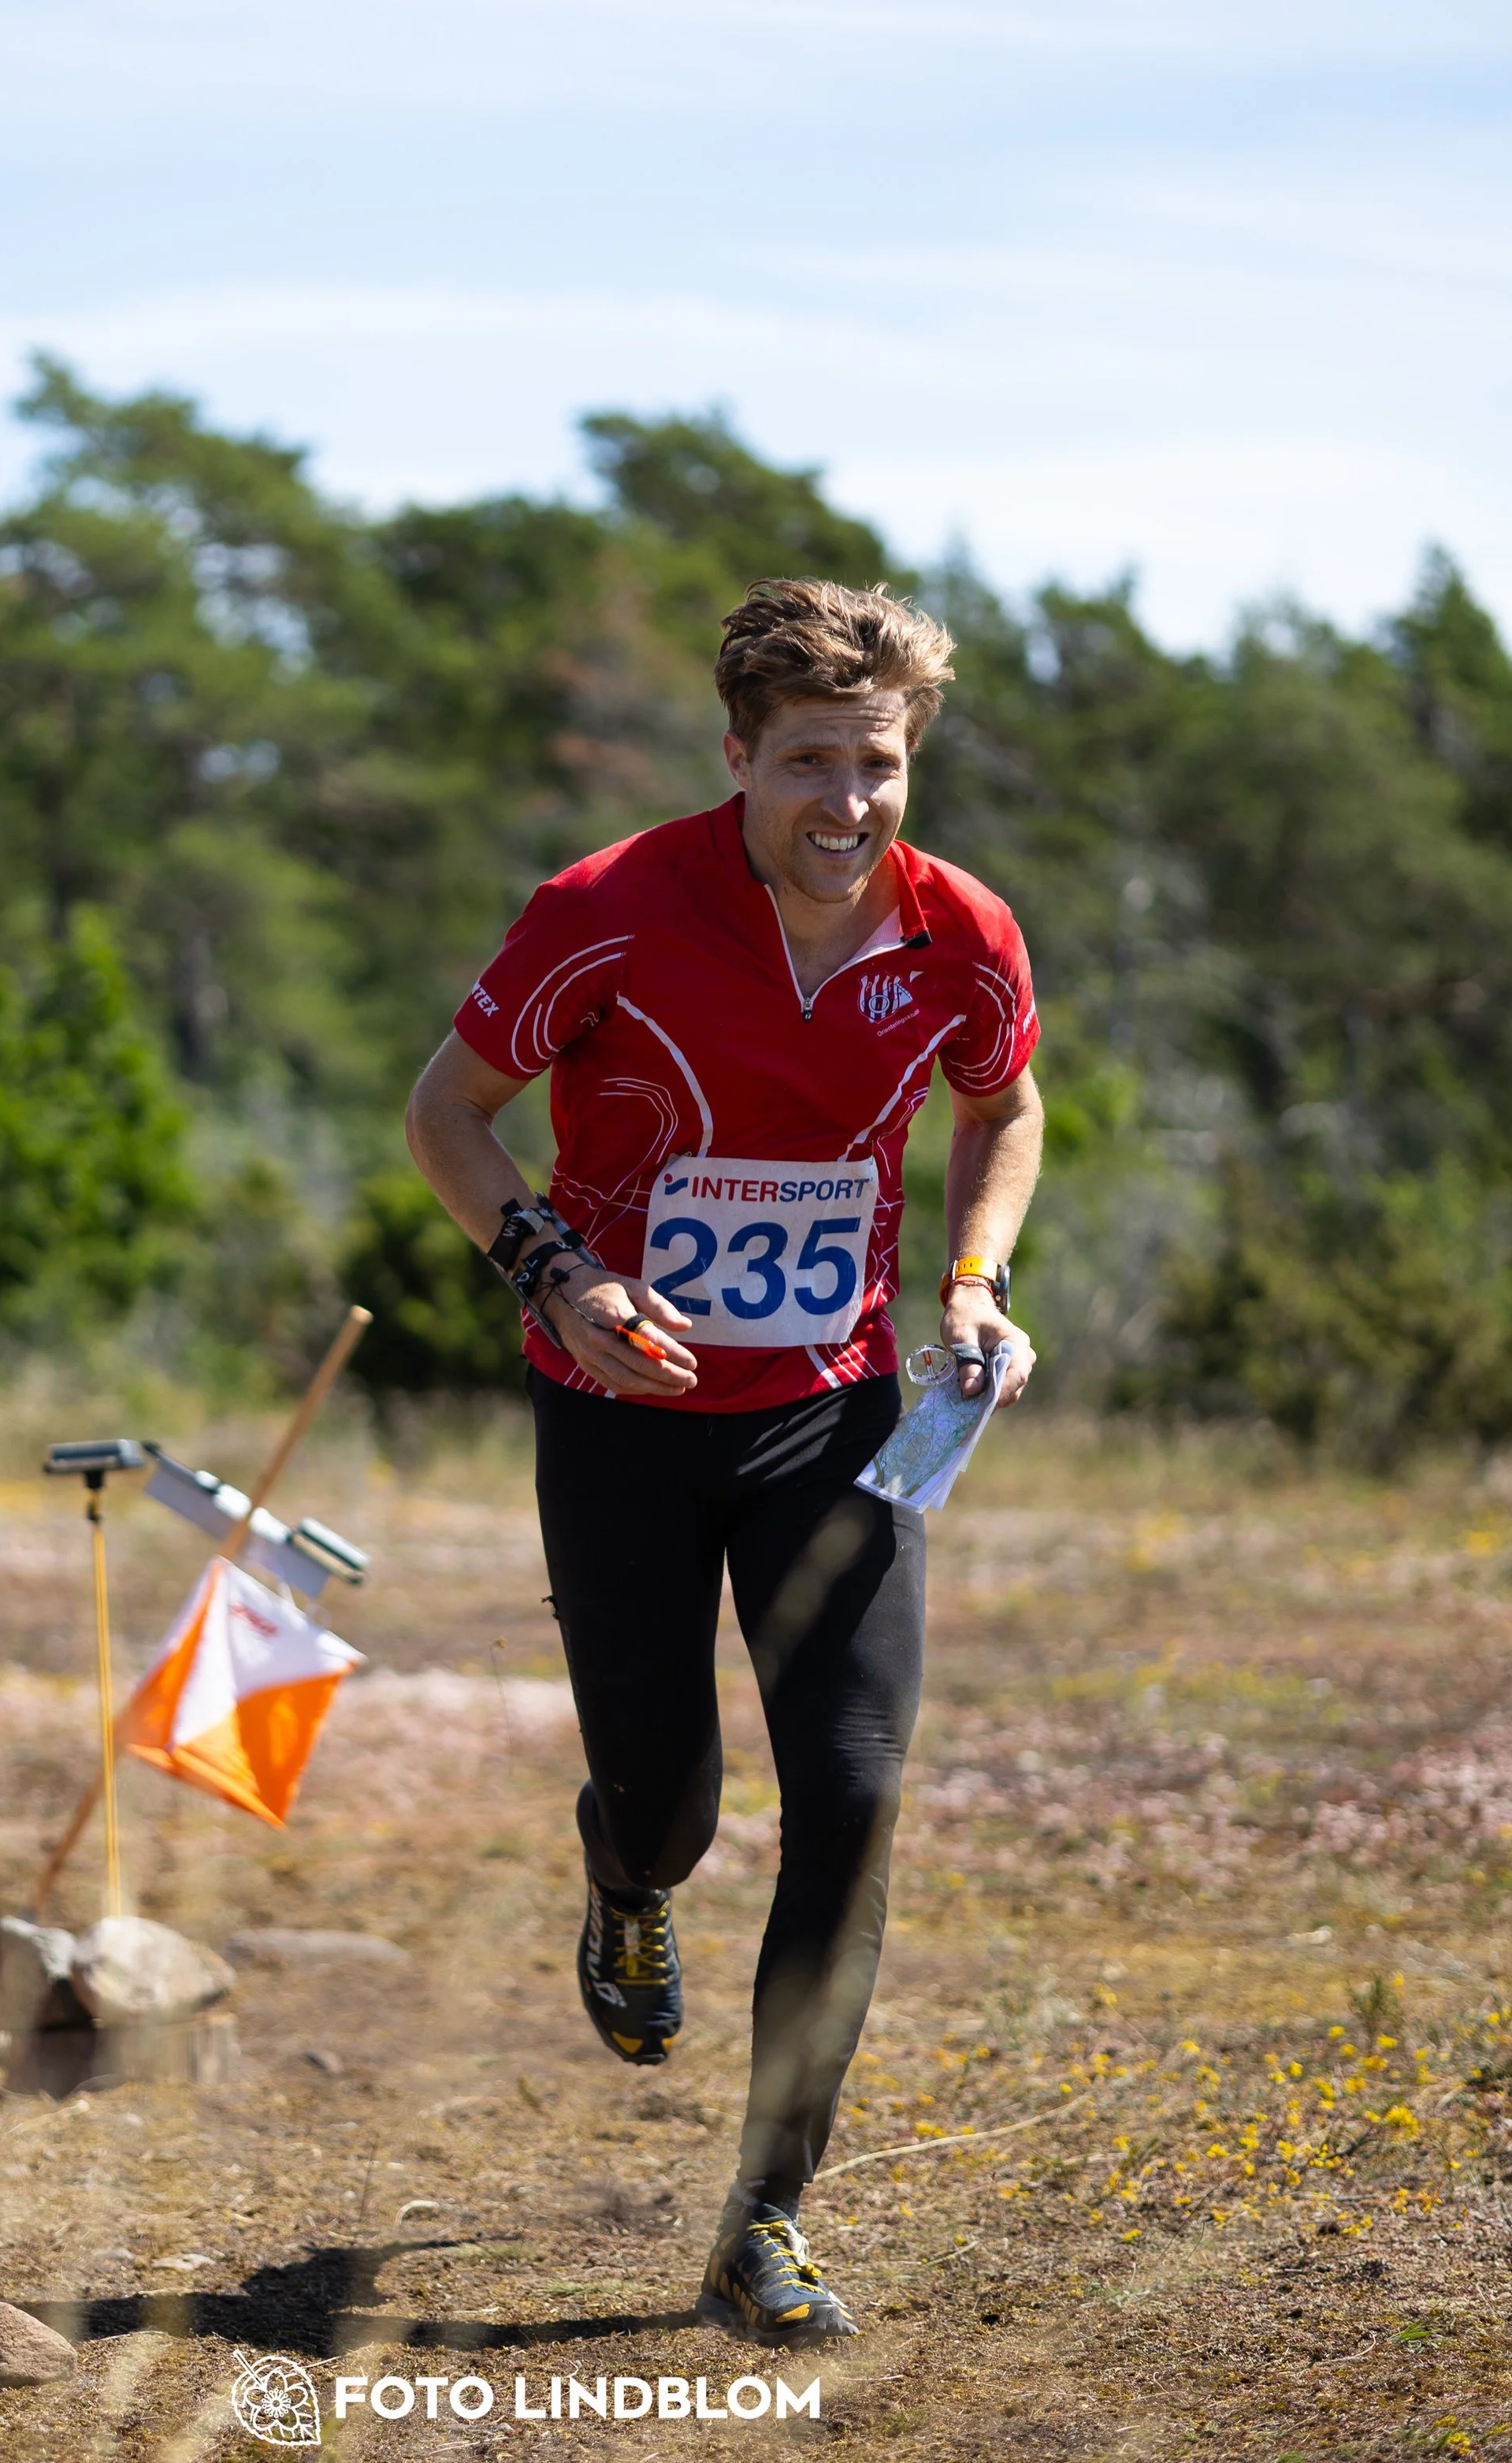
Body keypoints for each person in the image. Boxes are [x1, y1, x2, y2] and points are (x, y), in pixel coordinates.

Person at [405, 576, 1043, 2347]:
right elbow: (446, 1112)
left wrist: (974, 1281)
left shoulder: (961, 933)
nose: (849, 802)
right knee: (667, 1804)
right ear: (739, 759)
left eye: (879, 763)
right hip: (616, 1407)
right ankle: (622, 1880)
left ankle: (761, 2218)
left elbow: (1003, 1104)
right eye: (811, 763)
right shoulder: (606, 910)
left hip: (830, 1417)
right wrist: (558, 1270)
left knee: (851, 1793)